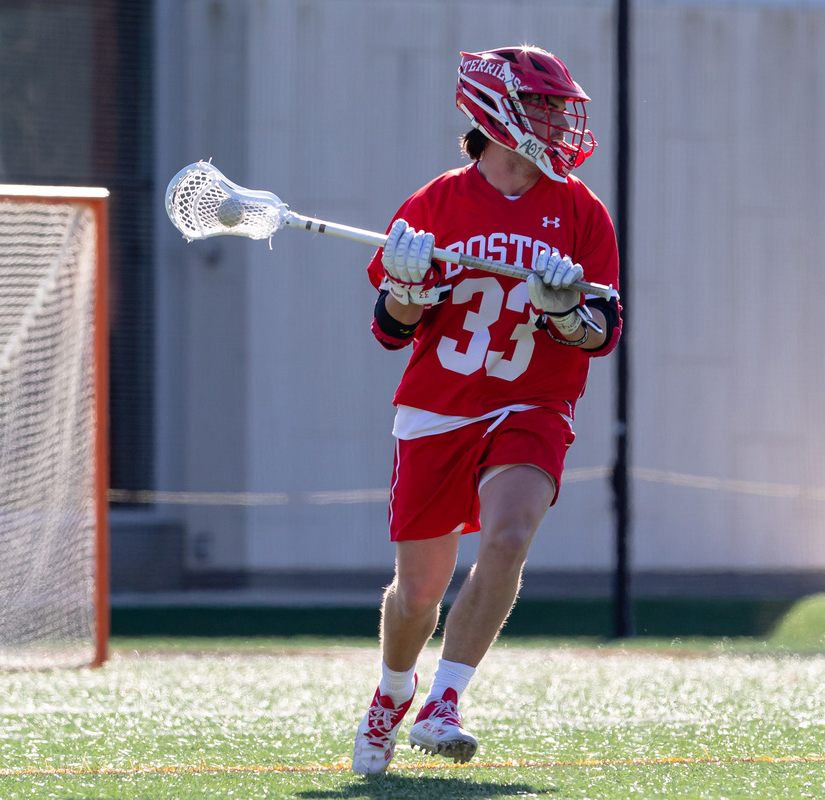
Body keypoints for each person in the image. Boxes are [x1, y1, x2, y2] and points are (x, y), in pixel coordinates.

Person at [351, 46, 623, 775]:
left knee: (507, 537)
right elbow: (391, 328)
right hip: (440, 408)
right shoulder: (434, 204)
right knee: (417, 595)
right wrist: (407, 285)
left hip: (532, 401)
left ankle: (446, 700)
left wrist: (566, 313)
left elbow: (601, 333)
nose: (557, 123)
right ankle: (392, 694)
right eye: (542, 107)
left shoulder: (580, 211)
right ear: (495, 113)